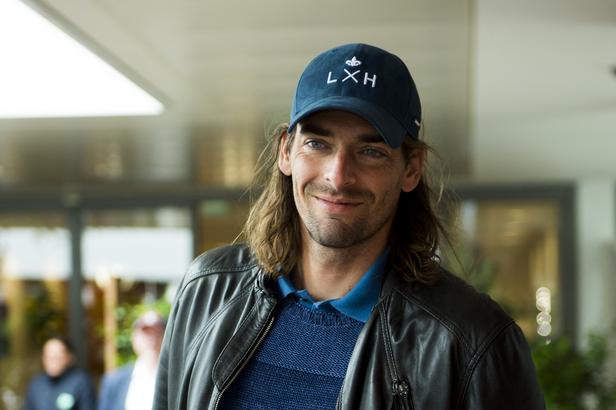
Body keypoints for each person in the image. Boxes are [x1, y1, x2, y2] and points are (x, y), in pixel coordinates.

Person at [153, 43, 545, 409]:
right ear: (285, 151)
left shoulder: (472, 341)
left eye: (371, 151)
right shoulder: (207, 290)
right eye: (317, 144)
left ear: (411, 169)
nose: (338, 176)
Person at [98, 310, 165, 410]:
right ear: (134, 339)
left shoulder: (176, 379)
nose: (152, 338)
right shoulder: (114, 381)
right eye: (146, 333)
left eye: (157, 332)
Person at [25, 336, 96, 410]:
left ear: (69, 357)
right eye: (48, 356)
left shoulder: (81, 382)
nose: (53, 361)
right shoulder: (36, 384)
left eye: (57, 357)